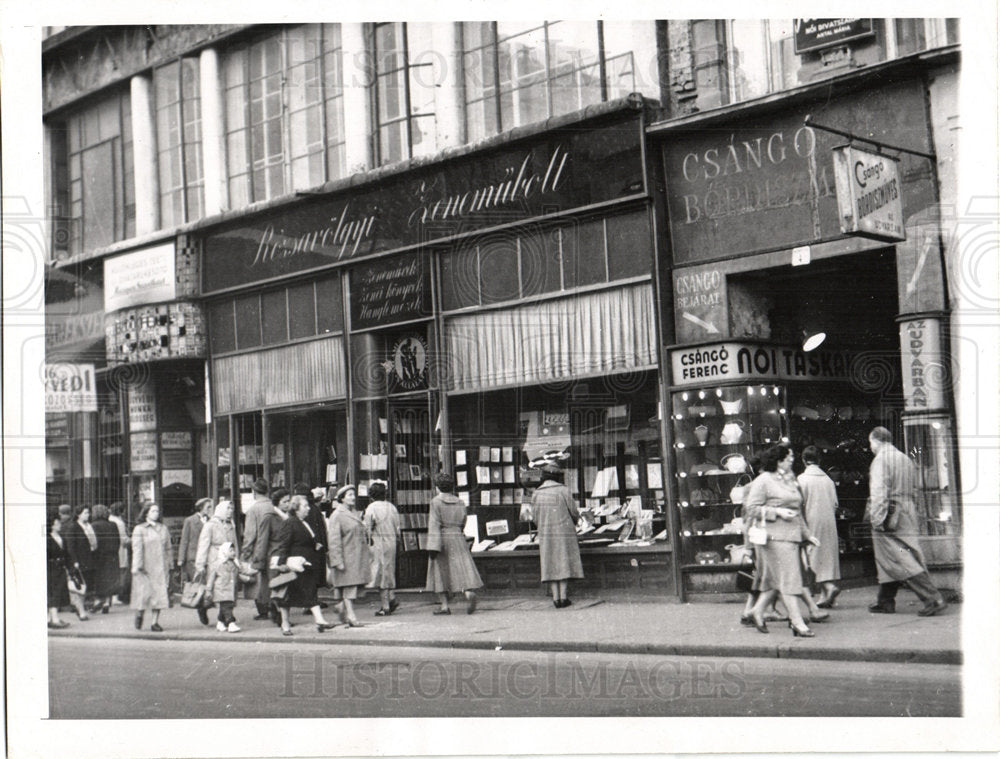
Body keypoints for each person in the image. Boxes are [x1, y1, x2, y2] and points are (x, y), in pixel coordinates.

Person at [744, 445, 826, 637]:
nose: (792, 461)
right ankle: (797, 623)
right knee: (789, 579)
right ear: (778, 460)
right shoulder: (763, 481)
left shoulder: (790, 479)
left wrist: (808, 535)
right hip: (773, 538)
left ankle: (756, 611)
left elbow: (797, 509)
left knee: (778, 581)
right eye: (789, 458)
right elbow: (752, 509)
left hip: (791, 537)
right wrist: (777, 512)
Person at [866, 426, 948, 616]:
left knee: (899, 556)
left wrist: (877, 519)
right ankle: (885, 600)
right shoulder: (904, 458)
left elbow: (879, 492)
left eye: (870, 442)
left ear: (877, 441)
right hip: (907, 510)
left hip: (889, 513)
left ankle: (932, 598)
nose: (870, 447)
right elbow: (915, 488)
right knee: (899, 553)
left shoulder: (880, 460)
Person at [275, 495, 336, 635]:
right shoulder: (290, 523)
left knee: (309, 592)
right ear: (296, 508)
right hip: (294, 565)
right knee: (287, 595)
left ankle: (320, 621)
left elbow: (306, 540)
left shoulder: (303, 522)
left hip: (306, 565)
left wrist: (315, 545)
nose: (308, 508)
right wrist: (281, 564)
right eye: (305, 506)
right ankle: (285, 623)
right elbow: (284, 544)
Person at [425, 472, 482, 615]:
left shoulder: (436, 502)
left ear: (437, 487)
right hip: (457, 536)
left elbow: (434, 524)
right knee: (460, 568)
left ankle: (444, 606)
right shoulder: (460, 502)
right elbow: (463, 521)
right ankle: (468, 593)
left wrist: (432, 546)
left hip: (442, 538)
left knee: (440, 572)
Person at [531, 462, 583, 608]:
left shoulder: (537, 493)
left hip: (546, 532)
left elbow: (534, 517)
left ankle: (556, 598)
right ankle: (564, 597)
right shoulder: (563, 490)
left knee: (551, 563)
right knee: (563, 561)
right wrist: (575, 520)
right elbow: (573, 511)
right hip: (564, 531)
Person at [797, 446, 842, 608]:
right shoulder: (828, 480)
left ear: (803, 460)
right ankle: (825, 595)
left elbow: (798, 504)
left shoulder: (802, 480)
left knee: (813, 557)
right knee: (827, 556)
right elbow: (835, 504)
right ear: (820, 460)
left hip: (810, 521)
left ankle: (828, 588)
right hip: (829, 521)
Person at [327, 485, 371, 626]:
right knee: (349, 588)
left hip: (356, 555)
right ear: (342, 499)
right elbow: (334, 540)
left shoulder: (353, 513)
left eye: (353, 494)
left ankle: (341, 607)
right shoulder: (337, 515)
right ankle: (351, 616)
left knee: (353, 587)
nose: (353, 497)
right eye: (349, 495)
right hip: (347, 557)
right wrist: (337, 560)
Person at [131, 503, 172, 632]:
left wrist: (170, 564)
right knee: (144, 594)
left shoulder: (163, 528)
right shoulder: (140, 529)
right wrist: (137, 566)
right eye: (153, 511)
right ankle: (140, 613)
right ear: (146, 513)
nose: (156, 513)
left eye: (157, 511)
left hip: (160, 567)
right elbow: (137, 548)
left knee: (159, 595)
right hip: (145, 566)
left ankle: (155, 622)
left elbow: (168, 548)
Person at [363, 480, 401, 616]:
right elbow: (398, 528)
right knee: (389, 571)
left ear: (371, 495)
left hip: (378, 542)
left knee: (380, 574)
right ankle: (392, 598)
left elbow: (367, 528)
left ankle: (385, 607)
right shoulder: (392, 507)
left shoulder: (371, 508)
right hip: (391, 543)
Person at [256, 488, 293, 626]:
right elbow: (262, 540)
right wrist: (259, 561)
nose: (288, 504)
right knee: (277, 587)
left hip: (286, 557)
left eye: (289, 501)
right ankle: (277, 615)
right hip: (273, 558)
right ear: (277, 503)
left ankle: (280, 615)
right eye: (285, 501)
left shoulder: (289, 517)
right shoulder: (270, 518)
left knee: (285, 586)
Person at [293, 482, 330, 607]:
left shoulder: (304, 510)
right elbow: (322, 530)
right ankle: (312, 601)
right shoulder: (314, 509)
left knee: (308, 575)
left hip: (308, 547)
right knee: (313, 575)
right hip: (316, 547)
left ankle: (310, 601)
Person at [241, 480, 274, 620]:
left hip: (258, 549)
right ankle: (275, 607)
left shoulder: (253, 510)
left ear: (254, 493)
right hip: (274, 548)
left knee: (259, 582)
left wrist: (245, 552)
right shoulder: (273, 506)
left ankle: (263, 610)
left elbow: (250, 534)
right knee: (272, 579)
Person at [63, 505, 97, 616]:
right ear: (79, 514)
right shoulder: (73, 527)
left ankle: (81, 608)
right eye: (85, 513)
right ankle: (80, 610)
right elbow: (70, 546)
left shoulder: (87, 526)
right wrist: (74, 561)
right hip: (79, 561)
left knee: (85, 585)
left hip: (88, 559)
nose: (88, 515)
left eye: (88, 513)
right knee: (79, 586)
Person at [195, 500, 239, 583]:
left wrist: (237, 560)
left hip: (229, 563)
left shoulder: (231, 525)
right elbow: (203, 546)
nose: (230, 511)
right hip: (215, 562)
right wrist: (200, 565)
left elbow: (235, 545)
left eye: (232, 508)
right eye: (228, 508)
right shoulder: (210, 525)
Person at [89, 504, 121, 614]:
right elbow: (118, 541)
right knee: (109, 579)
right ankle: (107, 603)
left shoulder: (93, 525)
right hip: (112, 556)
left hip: (99, 556)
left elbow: (93, 542)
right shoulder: (113, 525)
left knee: (99, 579)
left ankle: (98, 601)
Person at [206, 541, 241, 633]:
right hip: (221, 590)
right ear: (224, 552)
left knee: (225, 607)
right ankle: (231, 623)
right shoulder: (218, 564)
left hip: (231, 589)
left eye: (234, 550)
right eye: (230, 550)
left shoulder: (235, 563)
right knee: (227, 606)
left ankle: (220, 622)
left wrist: (248, 578)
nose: (233, 552)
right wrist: (208, 590)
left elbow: (239, 574)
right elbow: (211, 578)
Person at [47, 514, 72, 628]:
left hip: (61, 568)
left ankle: (53, 618)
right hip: (52, 569)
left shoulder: (60, 536)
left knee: (58, 593)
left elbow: (66, 552)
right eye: (57, 523)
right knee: (54, 594)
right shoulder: (47, 538)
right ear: (52, 525)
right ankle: (54, 619)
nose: (60, 525)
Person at [108, 502, 130, 605]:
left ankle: (111, 597)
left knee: (112, 573)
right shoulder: (119, 523)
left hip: (111, 551)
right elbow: (123, 539)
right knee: (121, 573)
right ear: (121, 511)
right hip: (120, 550)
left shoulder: (109, 520)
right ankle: (115, 597)